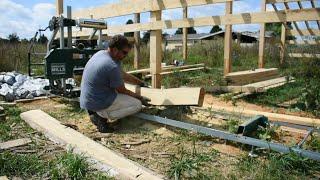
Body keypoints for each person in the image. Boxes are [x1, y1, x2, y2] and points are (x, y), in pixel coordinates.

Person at [80, 35, 149, 132]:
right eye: (124, 53)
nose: (125, 56)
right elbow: (122, 90)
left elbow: (122, 74)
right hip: (97, 101)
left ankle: (96, 112)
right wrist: (140, 97)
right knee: (137, 105)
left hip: (89, 101)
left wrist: (140, 83)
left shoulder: (101, 54)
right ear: (115, 49)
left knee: (123, 96)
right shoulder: (111, 65)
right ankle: (101, 117)